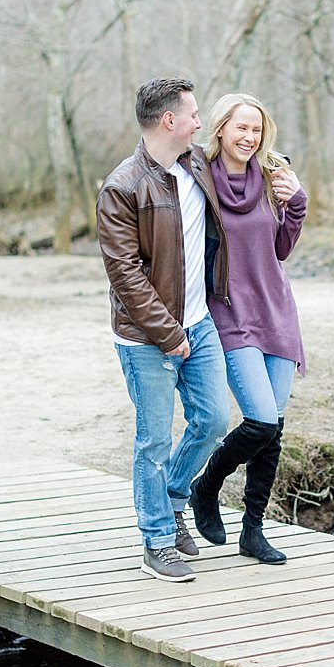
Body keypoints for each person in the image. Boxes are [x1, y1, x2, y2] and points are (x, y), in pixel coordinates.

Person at [97, 77, 231, 582]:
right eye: (193, 114)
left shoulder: (197, 164)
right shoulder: (122, 186)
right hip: (146, 339)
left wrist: (286, 185)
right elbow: (124, 274)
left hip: (200, 323)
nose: (201, 122)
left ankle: (174, 499)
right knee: (153, 439)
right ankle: (156, 541)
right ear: (169, 120)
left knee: (214, 420)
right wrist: (169, 335)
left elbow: (247, 162)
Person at [188, 93, 308, 565]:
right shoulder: (199, 179)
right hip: (231, 316)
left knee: (272, 429)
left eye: (256, 130)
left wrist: (295, 203)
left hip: (277, 311)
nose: (249, 137)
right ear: (220, 129)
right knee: (259, 419)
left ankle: (252, 532)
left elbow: (281, 247)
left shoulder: (271, 177)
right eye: (241, 127)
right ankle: (206, 486)